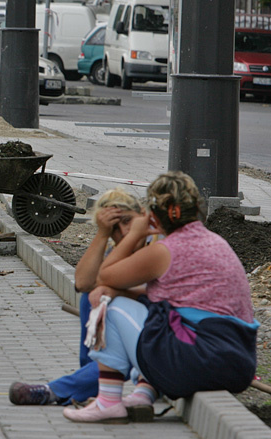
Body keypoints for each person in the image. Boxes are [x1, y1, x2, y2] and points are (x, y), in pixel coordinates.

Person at [62, 171, 258, 423]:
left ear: (152, 215)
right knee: (152, 308)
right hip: (238, 366)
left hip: (197, 363)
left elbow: (103, 278)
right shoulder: (215, 241)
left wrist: (136, 234)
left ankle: (108, 402)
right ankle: (143, 393)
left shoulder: (165, 250)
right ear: (195, 207)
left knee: (104, 298)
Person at [9, 188, 145, 406]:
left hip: (165, 333)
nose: (125, 232)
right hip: (141, 334)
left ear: (143, 215)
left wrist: (117, 291)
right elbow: (83, 283)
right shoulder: (119, 248)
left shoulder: (155, 244)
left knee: (112, 307)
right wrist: (102, 234)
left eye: (128, 221)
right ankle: (89, 374)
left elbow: (156, 294)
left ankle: (55, 390)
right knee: (91, 294)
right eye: (115, 229)